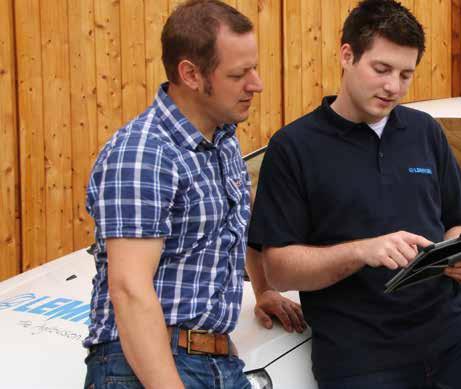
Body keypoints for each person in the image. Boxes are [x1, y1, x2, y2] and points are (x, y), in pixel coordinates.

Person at [247, 0, 461, 387]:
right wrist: (362, 251)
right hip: (361, 359)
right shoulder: (294, 147)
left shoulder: (425, 132)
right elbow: (279, 267)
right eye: (382, 69)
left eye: (406, 74)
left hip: (452, 335)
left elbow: (457, 224)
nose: (393, 86)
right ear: (347, 55)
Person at [82, 1, 303, 388]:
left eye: (254, 67)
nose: (257, 84)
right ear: (191, 74)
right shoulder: (145, 151)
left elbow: (234, 228)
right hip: (146, 365)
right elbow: (130, 289)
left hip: (217, 362)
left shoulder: (222, 143)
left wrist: (263, 288)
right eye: (239, 73)